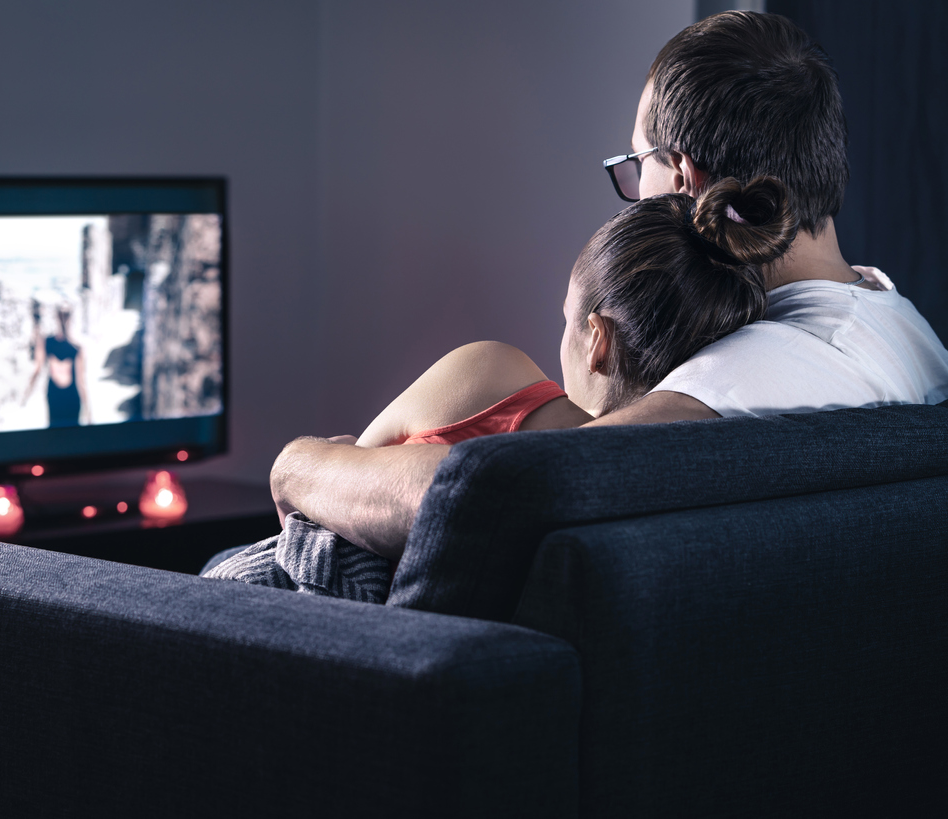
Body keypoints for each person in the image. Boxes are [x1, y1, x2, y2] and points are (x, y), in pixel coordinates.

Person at [267, 11, 948, 562]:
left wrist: (299, 465)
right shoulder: (905, 332)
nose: (633, 196)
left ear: (681, 174)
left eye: (636, 165)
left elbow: (492, 494)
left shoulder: (753, 375)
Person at [207, 176, 794, 595]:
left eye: (565, 320)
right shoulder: (697, 474)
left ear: (598, 339)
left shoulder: (493, 375)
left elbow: (319, 503)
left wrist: (303, 460)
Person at [23, 304, 88, 427]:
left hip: (71, 398)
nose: (63, 319)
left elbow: (81, 381)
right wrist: (27, 393)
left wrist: (89, 413)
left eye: (66, 316)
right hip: (54, 396)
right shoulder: (46, 342)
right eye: (61, 316)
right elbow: (37, 370)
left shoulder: (77, 348)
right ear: (56, 318)